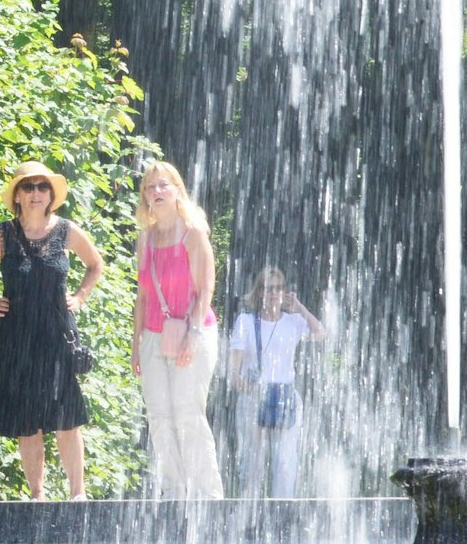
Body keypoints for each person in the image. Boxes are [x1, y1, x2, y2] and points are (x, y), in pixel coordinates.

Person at [0, 161, 106, 500]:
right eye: (28, 187)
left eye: (42, 187)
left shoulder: (66, 230)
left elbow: (96, 265)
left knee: (66, 416)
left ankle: (78, 494)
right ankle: (37, 496)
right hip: (16, 337)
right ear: (17, 195)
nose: (36, 193)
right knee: (27, 419)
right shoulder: (3, 233)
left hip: (56, 335)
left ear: (51, 194)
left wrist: (80, 296)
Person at [131, 160, 224, 500]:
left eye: (162, 185)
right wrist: (136, 342)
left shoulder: (193, 232)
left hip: (193, 330)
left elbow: (206, 289)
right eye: (150, 187)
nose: (156, 191)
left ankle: (207, 497)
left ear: (176, 190)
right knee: (158, 416)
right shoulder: (145, 239)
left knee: (187, 413)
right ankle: (173, 493)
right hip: (153, 336)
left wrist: (193, 334)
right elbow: (142, 296)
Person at [227, 265, 327, 498]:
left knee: (285, 464)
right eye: (269, 288)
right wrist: (236, 377)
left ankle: (282, 520)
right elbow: (236, 358)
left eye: (279, 288)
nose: (274, 293)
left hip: (286, 398)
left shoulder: (293, 321)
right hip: (254, 397)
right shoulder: (246, 321)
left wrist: (300, 307)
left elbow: (321, 333)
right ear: (259, 291)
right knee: (251, 466)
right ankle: (248, 521)